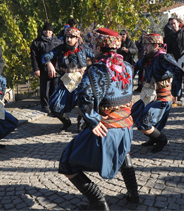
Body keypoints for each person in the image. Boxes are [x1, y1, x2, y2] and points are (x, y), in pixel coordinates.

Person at [58, 28, 138, 210]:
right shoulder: (127, 66)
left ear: (99, 46)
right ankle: (134, 194)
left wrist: (93, 120)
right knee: (123, 152)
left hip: (106, 130)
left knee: (66, 161)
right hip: (125, 128)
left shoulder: (98, 69)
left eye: (94, 45)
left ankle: (97, 203)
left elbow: (85, 97)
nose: (92, 48)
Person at [131, 33, 184, 152]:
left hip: (162, 99)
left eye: (147, 45)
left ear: (156, 45)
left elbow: (178, 70)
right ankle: (153, 138)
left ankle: (161, 140)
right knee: (133, 116)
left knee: (143, 123)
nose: (144, 48)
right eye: (144, 45)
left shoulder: (163, 58)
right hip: (149, 97)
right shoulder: (148, 58)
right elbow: (135, 67)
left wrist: (176, 92)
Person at [42, 27, 94, 132]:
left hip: (81, 80)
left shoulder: (83, 48)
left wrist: (91, 69)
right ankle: (66, 121)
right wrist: (49, 64)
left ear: (77, 38)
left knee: (83, 101)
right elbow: (46, 56)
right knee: (54, 105)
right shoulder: (60, 48)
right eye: (67, 37)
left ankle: (81, 122)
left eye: (72, 37)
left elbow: (96, 56)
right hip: (66, 80)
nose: (69, 39)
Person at [30, 22, 62, 113]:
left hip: (56, 68)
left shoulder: (57, 42)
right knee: (45, 88)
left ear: (52, 32)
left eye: (49, 30)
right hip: (43, 69)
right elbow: (34, 57)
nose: (47, 32)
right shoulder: (37, 42)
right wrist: (36, 69)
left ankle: (54, 104)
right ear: (43, 31)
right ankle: (45, 105)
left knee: (55, 86)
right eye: (45, 30)